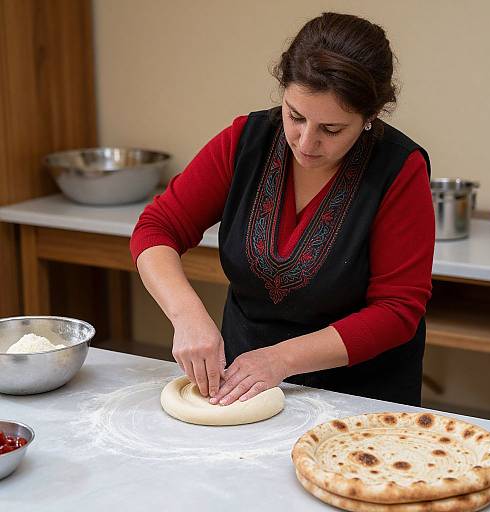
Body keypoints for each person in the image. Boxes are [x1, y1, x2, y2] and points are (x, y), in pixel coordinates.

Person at [130, 12, 435, 408]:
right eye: (295, 116)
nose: (306, 142)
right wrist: (187, 315)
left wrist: (282, 359)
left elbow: (397, 311)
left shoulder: (398, 170)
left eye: (331, 129)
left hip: (360, 397)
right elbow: (157, 228)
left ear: (369, 118)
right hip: (239, 383)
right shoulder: (245, 143)